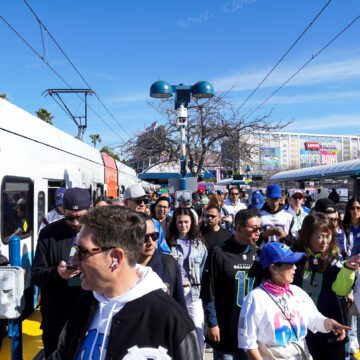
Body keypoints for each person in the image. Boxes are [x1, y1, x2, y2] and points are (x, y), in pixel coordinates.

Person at [50, 206, 201, 360]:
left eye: (83, 252)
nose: (74, 260)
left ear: (115, 258)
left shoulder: (171, 320)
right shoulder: (84, 304)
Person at [238, 242, 350, 360]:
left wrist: (330, 323)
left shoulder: (296, 292)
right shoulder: (255, 298)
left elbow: (313, 319)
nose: (295, 267)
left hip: (302, 355)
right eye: (289, 264)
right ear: (273, 268)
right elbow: (248, 344)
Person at [32, 187, 91, 358]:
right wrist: (57, 273)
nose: (75, 223)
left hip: (87, 315)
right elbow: (36, 274)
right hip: (55, 317)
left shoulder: (100, 233)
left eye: (80, 218)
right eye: (69, 218)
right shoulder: (48, 234)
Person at [293, 213, 360, 360]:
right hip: (300, 327)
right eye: (320, 236)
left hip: (330, 327)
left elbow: (341, 290)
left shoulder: (335, 260)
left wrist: (348, 270)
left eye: (328, 236)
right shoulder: (294, 259)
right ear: (307, 236)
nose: (325, 241)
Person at [201, 209, 260, 360]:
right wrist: (212, 323)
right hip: (225, 329)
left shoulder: (258, 254)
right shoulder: (219, 253)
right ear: (239, 228)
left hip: (249, 332)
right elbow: (208, 292)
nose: (258, 232)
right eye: (254, 228)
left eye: (259, 228)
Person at [168, 207, 208, 354]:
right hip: (175, 291)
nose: (183, 225)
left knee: (198, 328)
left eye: (186, 222)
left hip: (195, 292)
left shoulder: (199, 245)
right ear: (175, 223)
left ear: (192, 223)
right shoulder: (169, 244)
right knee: (177, 328)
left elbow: (203, 269)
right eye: (179, 222)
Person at [137, 213, 186, 309]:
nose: (150, 242)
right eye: (144, 238)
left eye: (154, 236)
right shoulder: (123, 268)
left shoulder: (169, 263)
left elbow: (180, 305)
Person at [124, 184, 170, 254]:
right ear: (126, 203)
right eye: (138, 200)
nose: (142, 204)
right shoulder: (119, 225)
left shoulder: (155, 224)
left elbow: (165, 251)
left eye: (145, 200)